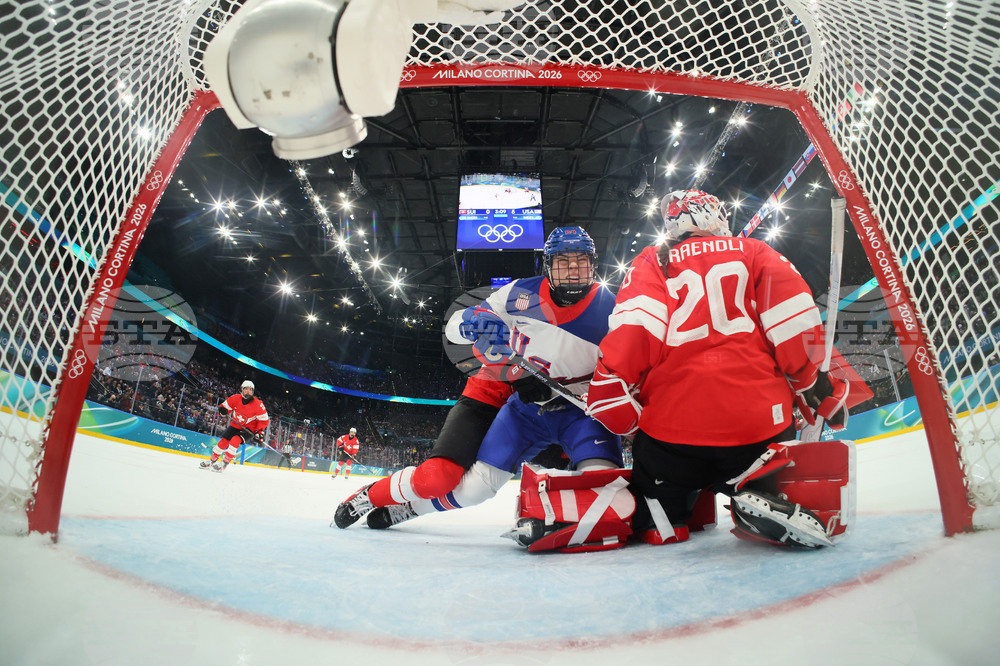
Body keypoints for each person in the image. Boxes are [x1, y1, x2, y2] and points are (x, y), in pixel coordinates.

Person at [335, 227, 634, 551]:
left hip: (579, 412)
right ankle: (381, 497)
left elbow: (626, 373)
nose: (573, 269)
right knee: (463, 485)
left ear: (593, 264)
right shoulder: (519, 293)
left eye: (581, 261)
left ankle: (414, 506)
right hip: (520, 406)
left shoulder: (614, 311)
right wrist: (472, 322)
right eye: (564, 261)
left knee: (603, 480)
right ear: (548, 265)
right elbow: (456, 327)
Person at [585, 190, 850, 548]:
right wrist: (811, 381)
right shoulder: (755, 251)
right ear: (717, 217)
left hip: (674, 432)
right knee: (768, 464)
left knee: (656, 507)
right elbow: (793, 323)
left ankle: (664, 517)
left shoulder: (653, 260)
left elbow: (635, 331)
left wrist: (611, 384)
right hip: (759, 427)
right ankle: (758, 493)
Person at [199, 380, 269, 472]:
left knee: (235, 440)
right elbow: (224, 407)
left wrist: (259, 432)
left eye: (250, 390)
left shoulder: (258, 404)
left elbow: (264, 421)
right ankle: (212, 460)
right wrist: (222, 410)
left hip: (249, 429)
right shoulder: (235, 398)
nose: (248, 391)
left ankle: (224, 463)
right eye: (246, 389)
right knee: (224, 441)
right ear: (242, 390)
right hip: (235, 425)